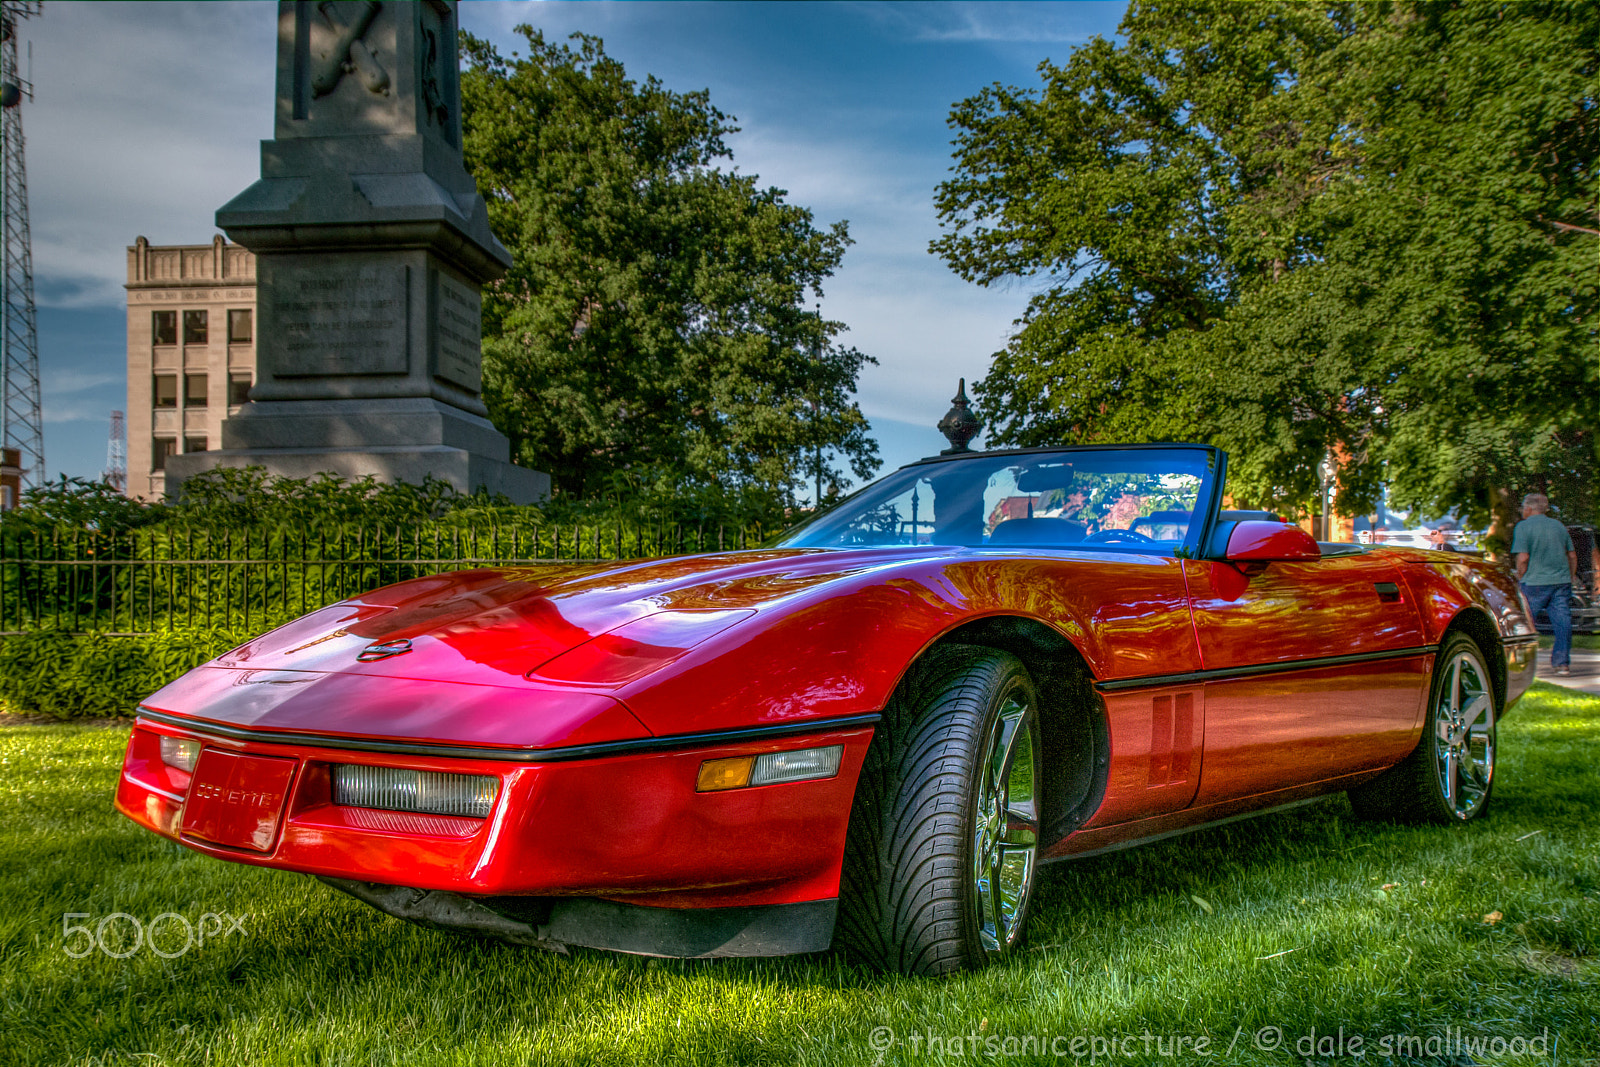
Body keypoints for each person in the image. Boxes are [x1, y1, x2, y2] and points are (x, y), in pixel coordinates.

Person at [1512, 492, 1578, 677]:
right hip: (1561, 582)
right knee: (1562, 623)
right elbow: (1572, 555)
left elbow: (1523, 558)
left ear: (1529, 508)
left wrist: (1519, 576)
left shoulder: (1523, 527)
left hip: (1534, 583)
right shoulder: (1558, 526)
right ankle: (1562, 664)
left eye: (1523, 507)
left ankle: (1521, 664)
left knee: (1524, 623)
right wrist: (1570, 576)